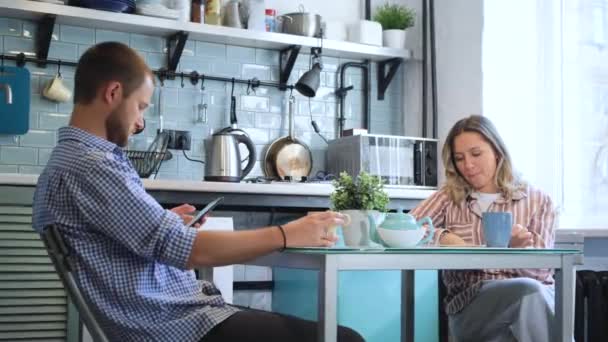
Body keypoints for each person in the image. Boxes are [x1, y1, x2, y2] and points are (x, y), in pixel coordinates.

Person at [32, 42, 363, 342]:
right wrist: (288, 233)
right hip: (177, 327)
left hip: (172, 319)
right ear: (113, 93)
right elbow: (188, 251)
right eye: (142, 107)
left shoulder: (69, 162)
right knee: (345, 339)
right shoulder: (94, 166)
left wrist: (162, 222)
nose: (140, 123)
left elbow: (131, 240)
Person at [409, 115, 557, 342]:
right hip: (471, 306)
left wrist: (514, 252)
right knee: (531, 295)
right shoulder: (448, 197)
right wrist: (443, 236)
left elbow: (542, 272)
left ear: (497, 151)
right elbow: (407, 229)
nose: (467, 165)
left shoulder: (538, 200)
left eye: (476, 154)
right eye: (459, 158)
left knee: (530, 293)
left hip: (531, 301)